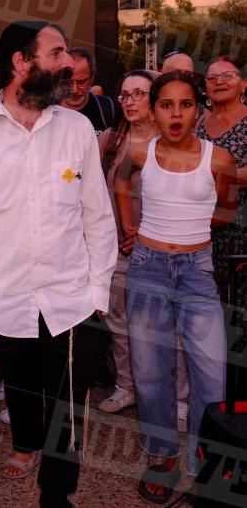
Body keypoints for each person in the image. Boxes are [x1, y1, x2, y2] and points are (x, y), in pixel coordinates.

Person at [0, 21, 117, 508]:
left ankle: (56, 499)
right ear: (21, 62)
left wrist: (96, 295)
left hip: (68, 306)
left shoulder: (78, 129)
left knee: (66, 418)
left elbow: (98, 217)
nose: (68, 63)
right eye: (56, 53)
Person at [115, 71, 237, 503]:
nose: (176, 113)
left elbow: (227, 210)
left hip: (197, 271)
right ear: (154, 110)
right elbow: (121, 181)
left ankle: (204, 462)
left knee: (212, 374)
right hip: (147, 269)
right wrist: (129, 226)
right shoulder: (139, 151)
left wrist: (194, 230)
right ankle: (163, 456)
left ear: (197, 109)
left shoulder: (218, 158)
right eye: (166, 104)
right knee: (151, 373)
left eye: (185, 104)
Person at [97, 70, 159, 414]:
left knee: (163, 328)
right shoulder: (111, 139)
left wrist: (147, 233)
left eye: (139, 94)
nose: (129, 101)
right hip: (116, 248)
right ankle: (126, 387)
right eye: (124, 95)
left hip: (161, 250)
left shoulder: (173, 139)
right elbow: (80, 176)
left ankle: (173, 397)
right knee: (120, 324)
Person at [195, 56, 246, 311]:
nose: (219, 81)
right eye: (212, 77)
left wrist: (206, 175)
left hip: (242, 233)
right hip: (202, 233)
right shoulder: (197, 124)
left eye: (228, 76)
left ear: (244, 84)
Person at [60, 48, 114, 135]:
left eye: (81, 82)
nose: (74, 90)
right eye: (68, 82)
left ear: (92, 77)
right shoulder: (48, 108)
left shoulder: (105, 107)